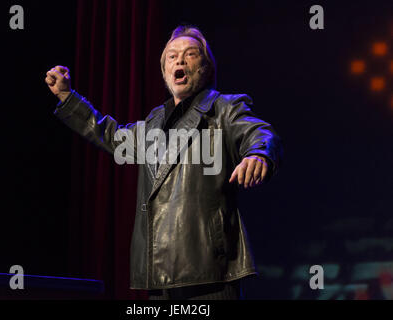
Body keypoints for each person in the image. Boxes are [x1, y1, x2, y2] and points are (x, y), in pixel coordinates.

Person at [45, 25, 283, 300]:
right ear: (165, 72)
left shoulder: (222, 109)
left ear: (206, 68)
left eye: (190, 54)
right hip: (160, 277)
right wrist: (67, 97)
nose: (179, 60)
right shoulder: (153, 123)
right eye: (171, 56)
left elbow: (260, 132)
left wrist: (258, 153)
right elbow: (110, 136)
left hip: (209, 274)